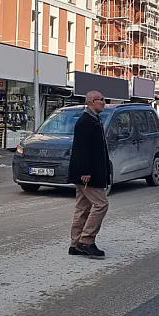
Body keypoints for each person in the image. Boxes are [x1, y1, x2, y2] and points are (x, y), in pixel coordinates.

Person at [66, 90, 110, 259]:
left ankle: (75, 244)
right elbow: (82, 149)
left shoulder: (94, 119)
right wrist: (85, 171)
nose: (104, 103)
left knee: (83, 208)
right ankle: (86, 241)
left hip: (87, 173)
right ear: (92, 101)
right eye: (102, 100)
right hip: (87, 174)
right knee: (101, 205)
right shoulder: (86, 122)